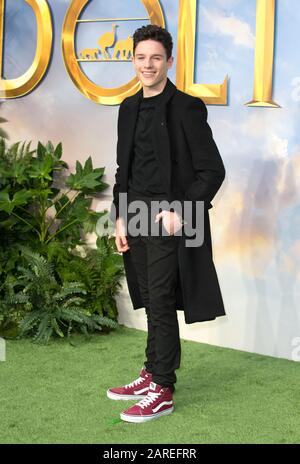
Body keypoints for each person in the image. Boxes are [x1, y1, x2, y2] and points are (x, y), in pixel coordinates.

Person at [107, 25, 226, 423]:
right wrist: (119, 217)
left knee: (160, 300)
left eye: (155, 57)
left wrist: (181, 212)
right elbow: (125, 167)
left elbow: (212, 171)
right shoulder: (127, 107)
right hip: (135, 213)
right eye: (141, 57)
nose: (148, 64)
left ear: (168, 61)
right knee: (148, 297)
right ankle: (150, 370)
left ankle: (162, 388)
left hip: (168, 217)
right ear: (134, 60)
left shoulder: (186, 107)